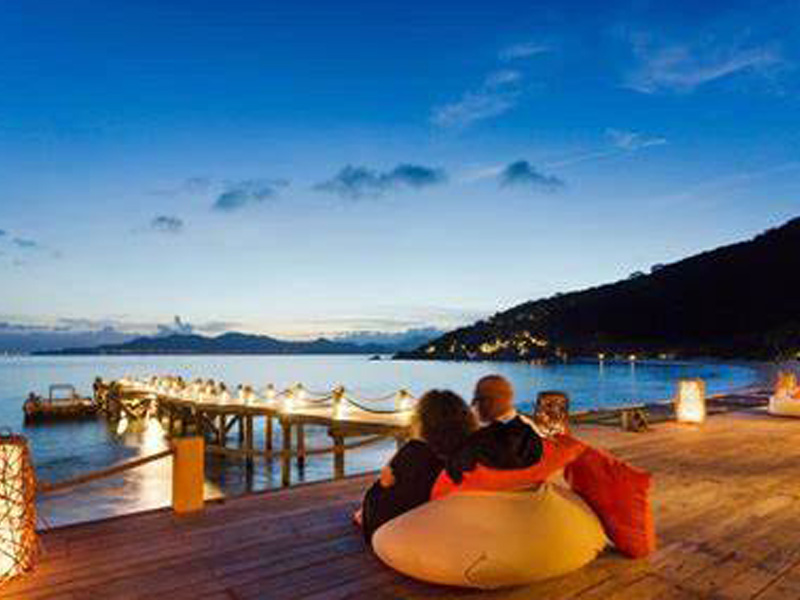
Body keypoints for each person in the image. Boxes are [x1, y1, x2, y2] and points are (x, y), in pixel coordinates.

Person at [358, 389, 477, 543]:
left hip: (418, 533)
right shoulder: (471, 453)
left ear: (423, 422)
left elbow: (384, 513)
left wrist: (382, 486)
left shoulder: (416, 454)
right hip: (458, 524)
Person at [446, 375, 544, 483]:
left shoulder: (474, 443)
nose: (474, 406)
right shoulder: (535, 436)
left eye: (476, 400)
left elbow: (454, 476)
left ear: (487, 402)